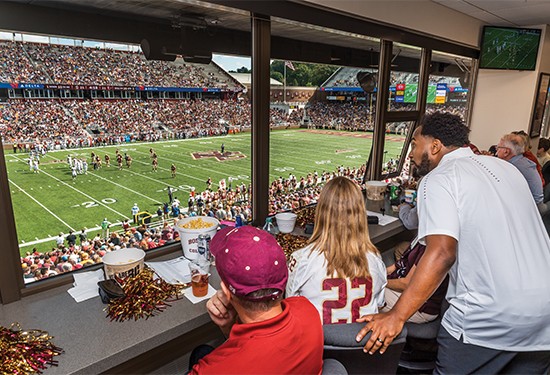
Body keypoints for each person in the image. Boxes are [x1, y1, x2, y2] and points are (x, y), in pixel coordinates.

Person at [356, 112, 550, 373]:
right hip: (543, 312)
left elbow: (442, 254)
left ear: (434, 146)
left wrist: (396, 316)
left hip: (488, 318)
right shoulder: (507, 168)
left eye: (414, 144)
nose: (411, 153)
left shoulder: (440, 179)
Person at [189, 226, 323, 374]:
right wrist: (229, 326)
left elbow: (242, 356)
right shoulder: (307, 310)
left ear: (226, 292)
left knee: (200, 352)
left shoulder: (210, 370)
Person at [286, 176, 387, 324]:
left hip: (317, 342)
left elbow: (290, 307)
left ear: (321, 212)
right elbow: (378, 305)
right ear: (360, 214)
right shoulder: (375, 259)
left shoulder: (302, 259)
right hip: (360, 342)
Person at [496, 133, 544, 205]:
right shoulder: (521, 161)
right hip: (536, 204)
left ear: (506, 152)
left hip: (532, 208)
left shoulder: (514, 167)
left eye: (498, 147)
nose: (496, 151)